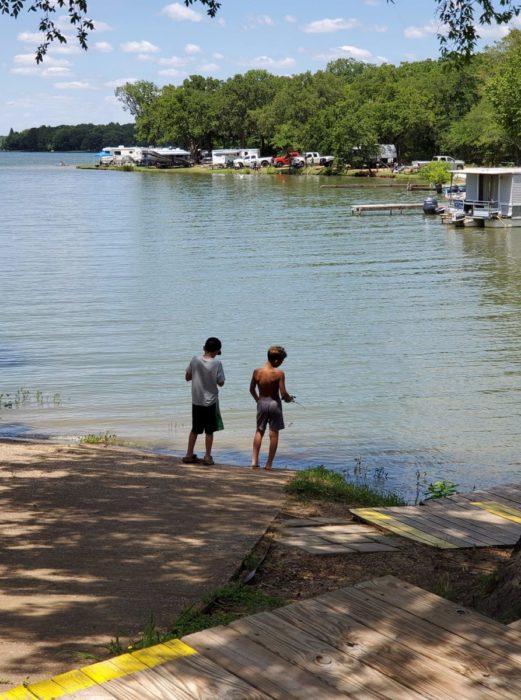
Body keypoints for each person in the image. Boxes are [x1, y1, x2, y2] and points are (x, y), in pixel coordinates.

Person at [249, 345, 293, 470]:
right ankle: (269, 464)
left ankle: (254, 461)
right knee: (274, 434)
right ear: (276, 361)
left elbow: (251, 389)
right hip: (274, 404)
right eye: (281, 361)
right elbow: (283, 393)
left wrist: (258, 400)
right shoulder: (279, 373)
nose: (281, 364)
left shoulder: (257, 372)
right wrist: (289, 399)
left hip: (262, 403)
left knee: (259, 431)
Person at [183, 337, 225, 466]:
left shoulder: (195, 360)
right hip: (210, 402)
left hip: (196, 401)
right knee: (209, 431)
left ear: (204, 348)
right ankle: (207, 457)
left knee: (195, 429)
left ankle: (189, 454)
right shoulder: (217, 364)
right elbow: (221, 382)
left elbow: (187, 377)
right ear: (216, 351)